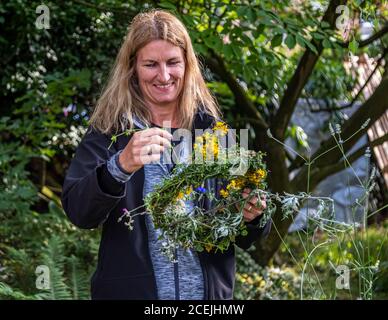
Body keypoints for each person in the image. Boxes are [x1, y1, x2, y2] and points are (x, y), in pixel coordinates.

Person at [61, 9, 270, 300]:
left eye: (173, 62)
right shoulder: (110, 130)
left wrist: (253, 214)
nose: (164, 75)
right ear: (133, 67)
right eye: (151, 64)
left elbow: (252, 232)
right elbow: (78, 212)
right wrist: (119, 166)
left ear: (187, 65)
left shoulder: (212, 132)